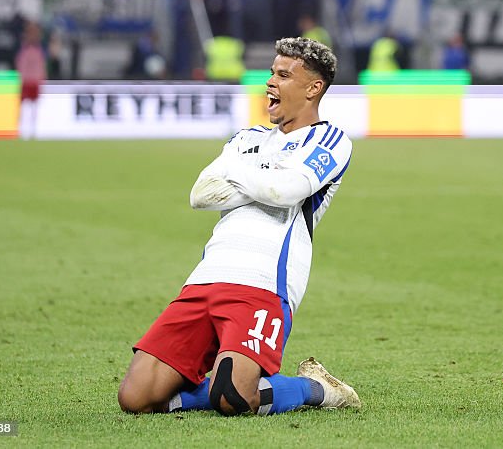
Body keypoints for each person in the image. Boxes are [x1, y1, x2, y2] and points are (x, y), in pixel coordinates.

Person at [118, 37, 361, 416]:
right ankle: (208, 383)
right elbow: (201, 194)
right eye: (272, 72)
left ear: (313, 88)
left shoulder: (329, 139)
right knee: (135, 397)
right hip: (206, 277)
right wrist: (269, 174)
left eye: (284, 75)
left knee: (233, 397)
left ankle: (318, 388)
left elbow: (287, 191)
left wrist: (241, 172)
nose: (270, 82)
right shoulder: (247, 137)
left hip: (263, 283)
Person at [16, 20, 46, 140]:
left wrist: (41, 78)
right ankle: (21, 129)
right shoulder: (24, 50)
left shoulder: (39, 50)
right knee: (23, 106)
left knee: (34, 106)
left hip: (34, 80)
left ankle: (33, 129)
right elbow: (21, 65)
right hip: (26, 80)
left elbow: (41, 66)